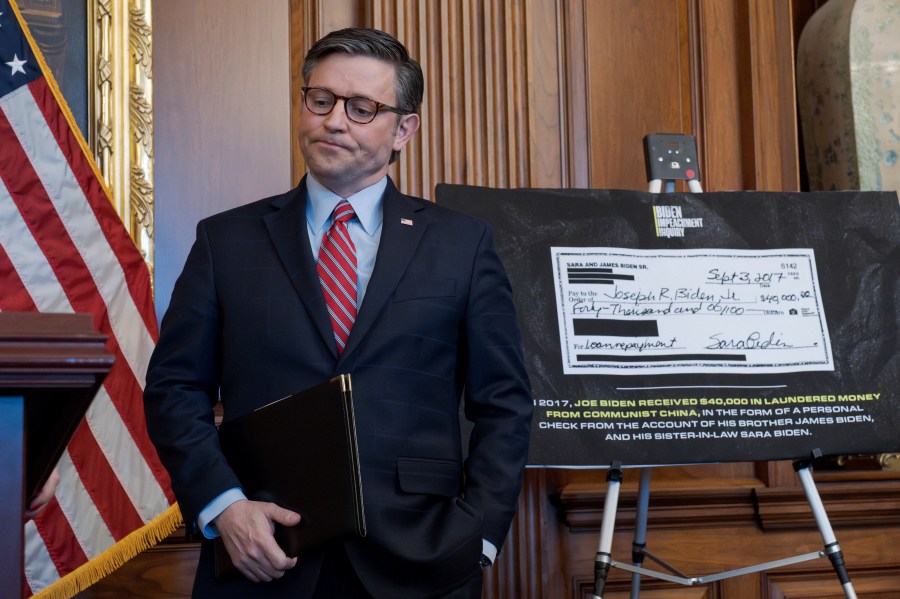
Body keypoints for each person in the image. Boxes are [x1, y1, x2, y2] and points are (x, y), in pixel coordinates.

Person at [144, 27, 533, 599]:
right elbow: (174, 388)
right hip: (262, 554)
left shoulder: (462, 245)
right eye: (320, 100)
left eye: (361, 108)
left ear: (404, 129)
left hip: (420, 561)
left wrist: (478, 536)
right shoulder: (225, 241)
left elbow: (505, 403)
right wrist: (223, 506)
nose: (333, 121)